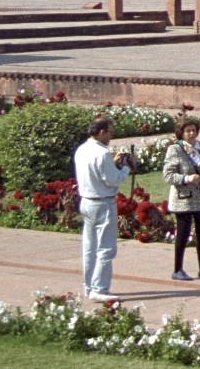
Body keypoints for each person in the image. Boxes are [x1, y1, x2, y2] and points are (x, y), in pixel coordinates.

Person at [74, 116, 134, 302]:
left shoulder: (82, 149)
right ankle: (99, 288)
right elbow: (112, 180)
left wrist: (114, 164)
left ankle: (88, 285)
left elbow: (99, 174)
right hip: (103, 202)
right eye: (110, 133)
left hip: (86, 201)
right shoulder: (101, 153)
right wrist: (124, 168)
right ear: (101, 132)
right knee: (106, 248)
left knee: (89, 247)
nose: (111, 137)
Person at [162, 115, 200, 281]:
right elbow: (168, 175)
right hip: (184, 198)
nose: (191, 134)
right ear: (181, 133)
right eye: (187, 131)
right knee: (183, 234)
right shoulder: (176, 149)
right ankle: (177, 269)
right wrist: (187, 178)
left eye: (194, 130)